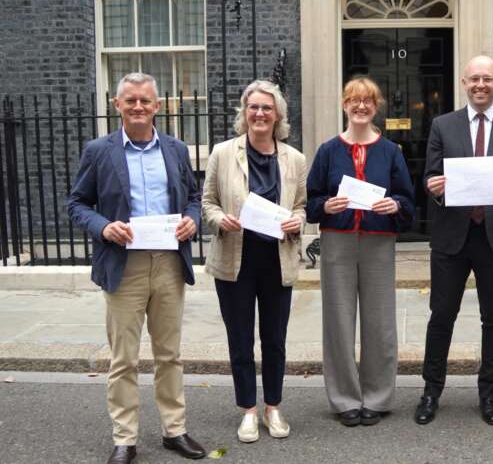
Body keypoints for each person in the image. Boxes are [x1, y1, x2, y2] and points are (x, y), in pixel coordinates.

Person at [67, 72, 206, 464]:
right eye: (131, 100)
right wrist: (103, 227)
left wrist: (193, 220)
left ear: (158, 106)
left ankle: (174, 431)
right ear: (117, 105)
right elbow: (77, 203)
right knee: (124, 359)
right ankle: (124, 439)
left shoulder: (176, 149)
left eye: (146, 100)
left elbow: (193, 198)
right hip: (122, 264)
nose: (139, 107)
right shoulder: (99, 151)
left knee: (169, 355)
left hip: (168, 263)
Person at [415, 55, 493, 426]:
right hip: (451, 236)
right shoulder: (443, 125)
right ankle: (431, 390)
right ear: (464, 83)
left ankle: (489, 392)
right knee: (442, 315)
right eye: (474, 79)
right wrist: (433, 187)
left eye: (487, 79)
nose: (480, 85)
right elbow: (430, 176)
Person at [306, 76, 415, 427]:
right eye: (354, 100)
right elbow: (311, 202)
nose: (361, 106)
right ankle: (344, 398)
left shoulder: (391, 151)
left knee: (380, 322)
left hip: (378, 241)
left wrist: (395, 206)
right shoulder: (327, 151)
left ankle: (378, 396)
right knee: (338, 321)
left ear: (376, 106)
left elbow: (408, 201)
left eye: (368, 100)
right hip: (337, 241)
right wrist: (327, 205)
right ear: (344, 105)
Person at [202, 80, 306, 442]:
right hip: (236, 258)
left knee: (275, 339)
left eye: (267, 108)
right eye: (254, 107)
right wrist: (220, 219)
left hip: (276, 259)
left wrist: (297, 222)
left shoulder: (294, 158)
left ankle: (273, 407)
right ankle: (248, 409)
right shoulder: (222, 153)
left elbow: (301, 205)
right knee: (240, 338)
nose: (260, 113)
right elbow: (208, 202)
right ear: (244, 112)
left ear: (278, 115)